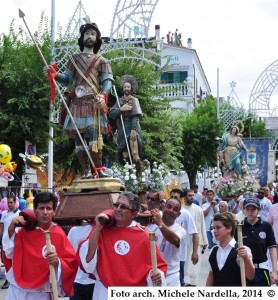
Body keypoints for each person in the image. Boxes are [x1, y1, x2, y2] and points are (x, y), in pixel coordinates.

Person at [44, 17, 114, 179]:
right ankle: (87, 171)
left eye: (93, 34)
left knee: (94, 136)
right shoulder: (74, 59)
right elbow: (68, 79)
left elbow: (107, 81)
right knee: (79, 139)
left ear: (97, 39)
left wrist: (103, 95)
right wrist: (54, 75)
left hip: (93, 102)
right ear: (82, 38)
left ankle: (99, 169)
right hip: (77, 102)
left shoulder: (102, 61)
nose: (90, 36)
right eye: (87, 33)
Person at [79, 192, 167, 300]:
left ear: (134, 214)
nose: (118, 209)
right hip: (105, 291)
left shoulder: (144, 235)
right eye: (116, 205)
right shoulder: (103, 230)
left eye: (124, 207)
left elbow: (156, 266)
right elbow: (88, 258)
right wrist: (97, 228)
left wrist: (156, 275)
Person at [3, 191, 78, 299]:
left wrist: (58, 262)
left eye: (49, 208)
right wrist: (11, 229)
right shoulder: (23, 230)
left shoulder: (59, 234)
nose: (45, 212)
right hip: (17, 290)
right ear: (34, 210)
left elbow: (71, 263)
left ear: (54, 211)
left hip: (41, 293)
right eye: (41, 208)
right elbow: (9, 253)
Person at [206, 212, 255, 286]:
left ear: (229, 228)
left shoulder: (242, 249)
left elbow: (250, 276)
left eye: (218, 227)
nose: (214, 231)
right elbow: (211, 276)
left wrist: (246, 258)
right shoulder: (213, 250)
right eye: (213, 228)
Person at [238, 198, 278, 286]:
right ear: (243, 210)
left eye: (253, 209)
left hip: (262, 269)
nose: (250, 212)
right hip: (244, 270)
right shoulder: (239, 227)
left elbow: (272, 248)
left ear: (259, 210)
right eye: (247, 209)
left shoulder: (266, 226)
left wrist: (274, 271)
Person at [148, 198, 186, 286]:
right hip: (151, 275)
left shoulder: (180, 230)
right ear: (163, 207)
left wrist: (160, 224)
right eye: (169, 207)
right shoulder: (150, 223)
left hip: (170, 277)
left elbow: (175, 240)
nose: (171, 211)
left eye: (175, 209)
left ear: (179, 214)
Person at [109, 75, 143, 169]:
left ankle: (137, 169)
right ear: (122, 88)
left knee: (134, 151)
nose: (126, 88)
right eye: (125, 87)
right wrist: (121, 109)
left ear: (131, 88)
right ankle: (128, 170)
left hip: (132, 126)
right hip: (122, 127)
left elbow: (135, 116)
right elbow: (111, 113)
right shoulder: (119, 101)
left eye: (128, 87)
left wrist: (133, 129)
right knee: (124, 151)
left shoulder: (134, 100)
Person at [182, 189, 208, 286]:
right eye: (189, 195)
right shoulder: (181, 209)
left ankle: (193, 283)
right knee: (185, 261)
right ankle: (185, 281)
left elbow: (202, 225)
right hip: (184, 240)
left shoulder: (198, 209)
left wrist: (205, 241)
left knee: (194, 261)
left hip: (196, 239)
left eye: (193, 195)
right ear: (184, 197)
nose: (192, 197)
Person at [67, 222, 95, 300]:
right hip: (78, 281)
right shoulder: (74, 231)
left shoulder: (103, 230)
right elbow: (69, 254)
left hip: (96, 282)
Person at [0, 196, 20, 289]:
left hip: (15, 242)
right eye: (8, 202)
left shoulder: (20, 214)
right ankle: (9, 280)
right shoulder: (4, 214)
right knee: (6, 262)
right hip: (4, 242)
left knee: (14, 262)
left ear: (15, 202)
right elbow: (1, 227)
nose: (9, 204)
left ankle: (13, 280)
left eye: (11, 202)